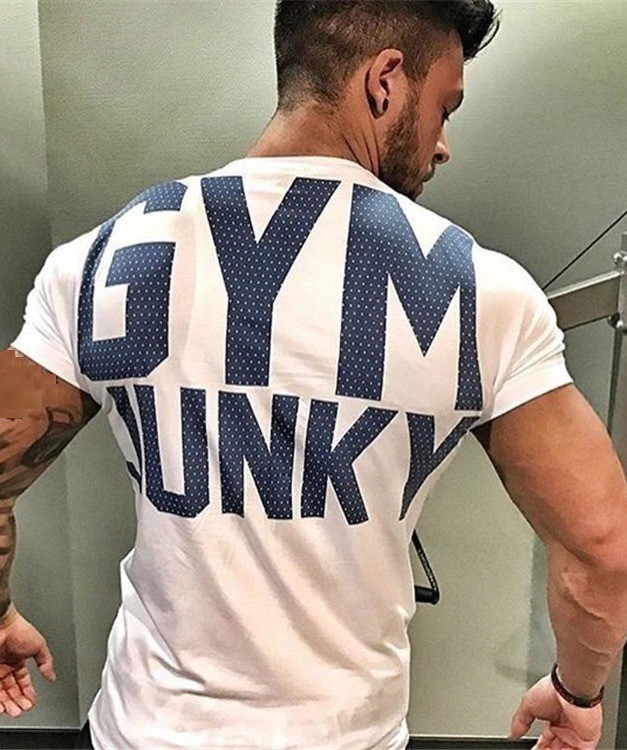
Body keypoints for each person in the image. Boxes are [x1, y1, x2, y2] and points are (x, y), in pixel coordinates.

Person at [1, 1, 626, 748]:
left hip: (143, 731)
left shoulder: (98, 261)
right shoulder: (482, 291)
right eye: (444, 107)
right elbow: (603, 549)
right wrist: (576, 691)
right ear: (384, 81)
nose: (442, 145)